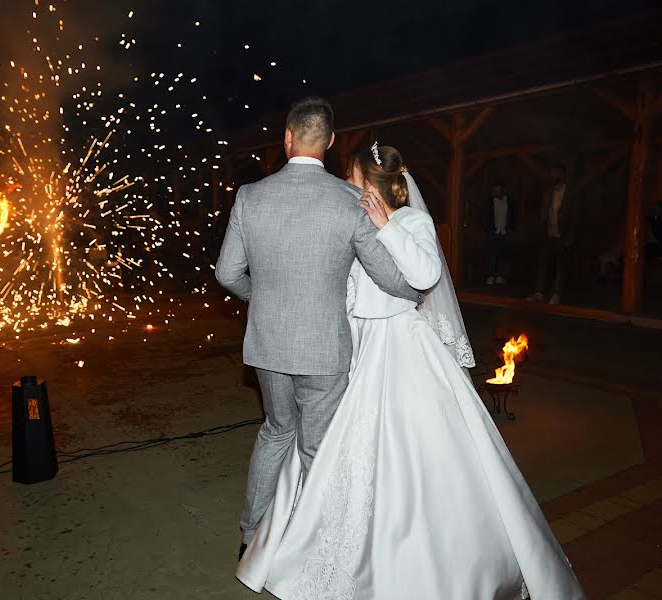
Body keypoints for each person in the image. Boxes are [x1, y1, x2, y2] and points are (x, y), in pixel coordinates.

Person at [236, 144, 585, 600]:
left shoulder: (412, 222)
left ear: (370, 184)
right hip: (354, 344)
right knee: (326, 447)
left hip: (401, 345)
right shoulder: (350, 219)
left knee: (414, 452)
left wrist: (385, 226)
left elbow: (423, 276)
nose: (346, 183)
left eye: (352, 177)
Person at [215, 97, 420, 561]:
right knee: (318, 447)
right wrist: (417, 296)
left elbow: (227, 273)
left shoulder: (250, 197)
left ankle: (251, 536)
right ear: (329, 142)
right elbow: (388, 274)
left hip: (268, 345)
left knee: (276, 431)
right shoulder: (350, 201)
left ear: (287, 138)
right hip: (325, 349)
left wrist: (261, 299)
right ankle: (318, 546)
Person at [529, 164, 576, 305]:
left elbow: (575, 217)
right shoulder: (549, 192)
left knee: (560, 266)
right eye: (552, 173)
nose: (553, 176)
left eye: (556, 173)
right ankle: (540, 293)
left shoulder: (571, 193)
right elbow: (544, 211)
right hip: (547, 234)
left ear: (562, 174)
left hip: (562, 234)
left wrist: (571, 237)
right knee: (543, 264)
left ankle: (557, 294)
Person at [483, 183, 514, 285]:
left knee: (503, 254)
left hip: (505, 232)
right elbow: (485, 216)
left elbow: (513, 215)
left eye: (498, 190)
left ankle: (500, 276)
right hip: (493, 232)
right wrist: (488, 229)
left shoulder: (509, 201)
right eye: (494, 190)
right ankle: (491, 276)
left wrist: (510, 228)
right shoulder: (489, 202)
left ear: (503, 190)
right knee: (492, 254)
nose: (496, 192)